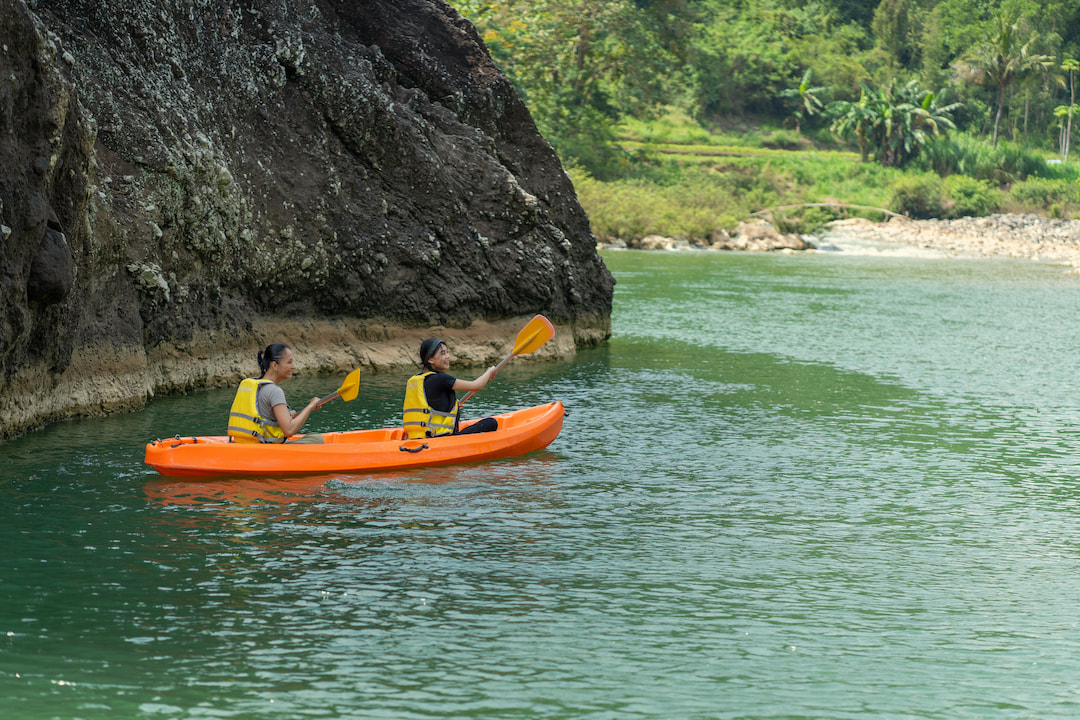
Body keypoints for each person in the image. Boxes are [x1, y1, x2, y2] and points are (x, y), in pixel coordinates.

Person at [227, 343, 325, 444]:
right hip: (266, 449)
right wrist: (310, 406)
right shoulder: (274, 391)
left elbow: (265, 417)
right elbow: (289, 430)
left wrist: (289, 416)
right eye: (289, 362)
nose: (293, 367)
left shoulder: (254, 385)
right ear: (274, 365)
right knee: (317, 438)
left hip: (246, 444)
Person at [403, 338, 499, 439]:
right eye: (442, 353)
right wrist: (489, 371)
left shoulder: (416, 380)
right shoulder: (441, 378)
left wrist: (454, 404)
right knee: (491, 422)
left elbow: (432, 403)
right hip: (438, 439)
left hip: (416, 437)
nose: (448, 356)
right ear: (430, 359)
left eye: (447, 352)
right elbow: (476, 386)